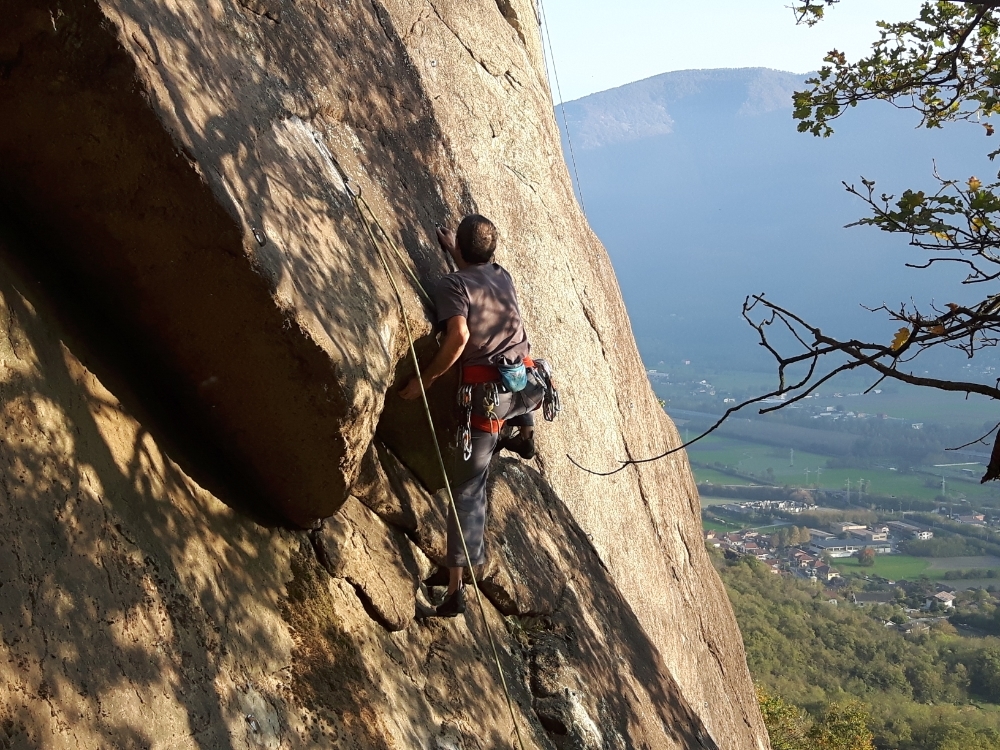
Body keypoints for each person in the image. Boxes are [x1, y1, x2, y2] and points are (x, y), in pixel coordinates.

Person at [400, 214, 542, 617]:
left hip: (490, 400)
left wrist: (425, 381)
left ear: (458, 248)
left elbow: (460, 335)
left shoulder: (453, 284)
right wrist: (455, 253)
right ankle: (526, 433)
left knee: (467, 489)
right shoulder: (502, 275)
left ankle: (455, 593)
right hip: (526, 388)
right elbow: (474, 287)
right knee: (520, 379)